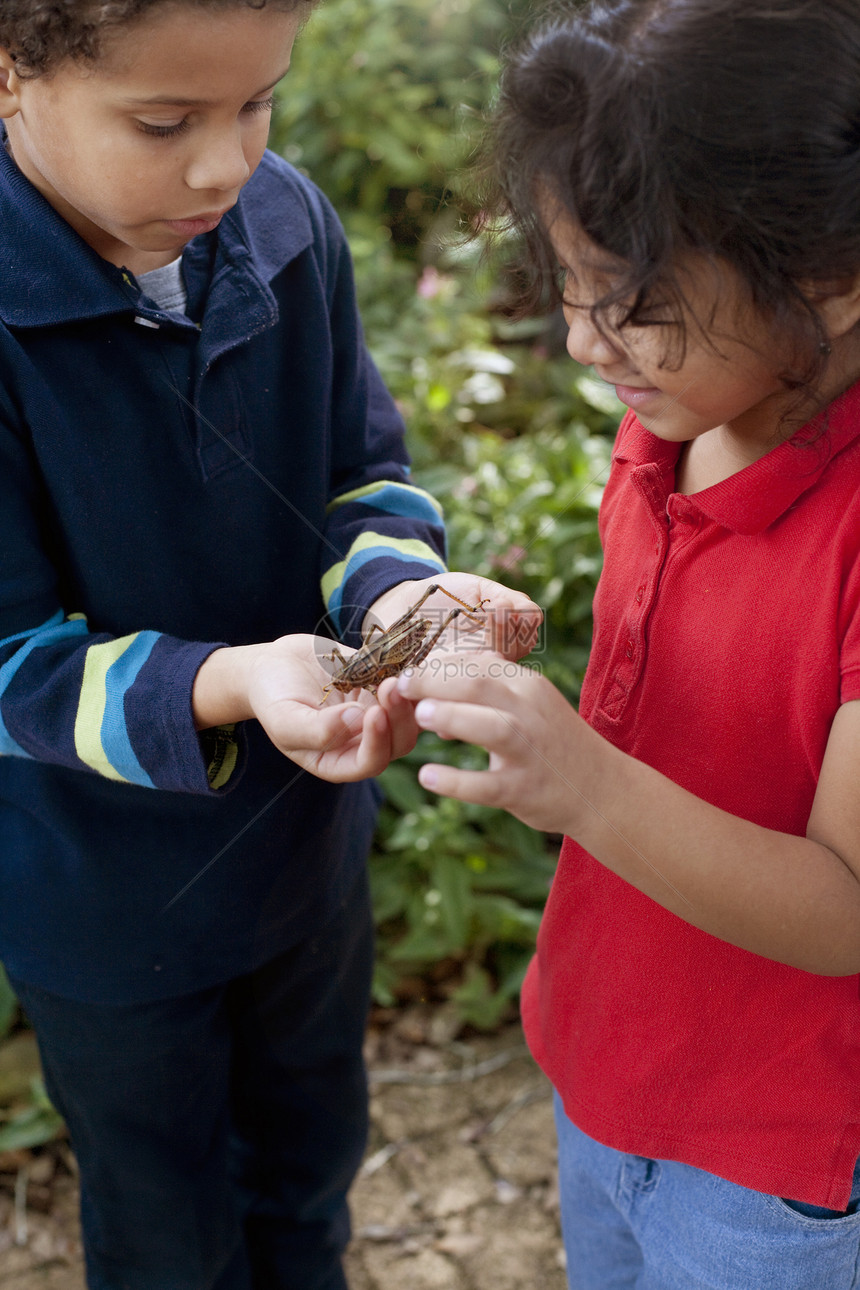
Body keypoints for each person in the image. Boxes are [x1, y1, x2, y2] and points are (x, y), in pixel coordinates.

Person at [0, 2, 538, 1286]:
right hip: (101, 903)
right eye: (163, 121)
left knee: (308, 1175)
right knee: (166, 1226)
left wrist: (395, 599)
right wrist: (236, 678)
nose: (223, 166)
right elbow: (13, 662)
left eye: (258, 103)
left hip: (303, 854)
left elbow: (359, 477)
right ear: (13, 71)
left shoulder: (287, 225)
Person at [392, 1, 860, 1285]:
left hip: (771, 1167)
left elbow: (847, 905)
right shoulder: (673, 425)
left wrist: (586, 785)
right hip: (602, 1059)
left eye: (633, 304)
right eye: (570, 292)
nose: (584, 344)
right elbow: (682, 694)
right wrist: (519, 652)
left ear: (827, 270)